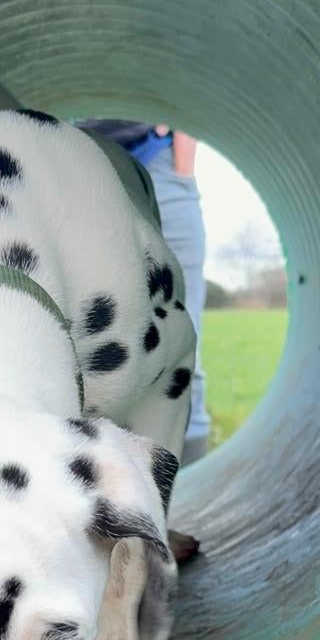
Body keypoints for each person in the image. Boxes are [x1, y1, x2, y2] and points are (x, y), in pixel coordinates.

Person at [75, 120, 211, 463]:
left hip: (157, 156)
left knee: (184, 338)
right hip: (76, 158)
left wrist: (182, 167)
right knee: (82, 344)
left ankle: (191, 478)